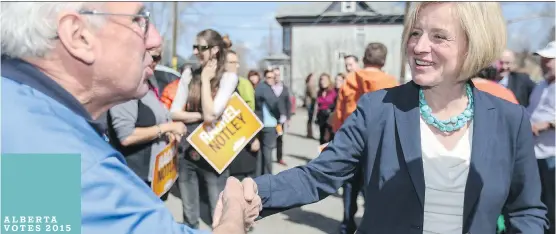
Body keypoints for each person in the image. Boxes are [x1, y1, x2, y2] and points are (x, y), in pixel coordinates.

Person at [226, 2, 548, 234]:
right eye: (415, 33)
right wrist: (253, 190)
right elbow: (317, 177)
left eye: (439, 36)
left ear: (472, 45)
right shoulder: (377, 109)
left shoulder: (509, 119)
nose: (419, 47)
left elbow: (526, 209)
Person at [1, 2, 257, 234]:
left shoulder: (19, 106)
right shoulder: (76, 169)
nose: (154, 37)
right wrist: (234, 210)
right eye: (139, 19)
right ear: (77, 35)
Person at [169, 29, 238, 230]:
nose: (196, 52)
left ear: (215, 50)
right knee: (190, 214)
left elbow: (212, 113)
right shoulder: (189, 73)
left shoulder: (228, 78)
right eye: (194, 47)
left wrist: (207, 80)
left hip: (214, 151)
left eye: (201, 47)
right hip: (187, 150)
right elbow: (174, 112)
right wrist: (202, 117)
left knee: (218, 215)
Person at [332, 42, 399, 234]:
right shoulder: (391, 82)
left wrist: (338, 136)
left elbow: (339, 114)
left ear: (364, 58)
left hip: (352, 141)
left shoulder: (350, 79)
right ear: (384, 61)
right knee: (374, 186)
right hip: (380, 144)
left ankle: (347, 224)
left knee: (350, 186)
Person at [106, 45, 187, 201]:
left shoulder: (148, 84)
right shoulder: (127, 86)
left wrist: (169, 132)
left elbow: (156, 118)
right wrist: (166, 127)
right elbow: (126, 136)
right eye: (150, 56)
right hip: (135, 177)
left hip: (155, 176)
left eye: (157, 58)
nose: (153, 62)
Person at [529, 41, 555, 234]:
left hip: (553, 154)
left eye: (549, 60)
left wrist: (547, 124)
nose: (544, 63)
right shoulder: (541, 85)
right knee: (541, 202)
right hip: (536, 153)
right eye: (543, 60)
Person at [254, 69, 286, 176]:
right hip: (269, 124)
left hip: (262, 123)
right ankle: (268, 176)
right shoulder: (265, 89)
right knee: (267, 152)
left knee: (261, 152)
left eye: (273, 77)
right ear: (264, 78)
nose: (271, 79)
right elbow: (274, 105)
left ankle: (260, 175)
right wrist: (278, 116)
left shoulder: (260, 88)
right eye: (268, 77)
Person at [272, 67, 292, 166]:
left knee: (279, 138)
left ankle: (279, 158)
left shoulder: (284, 88)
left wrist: (288, 117)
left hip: (281, 119)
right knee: (269, 138)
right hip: (270, 119)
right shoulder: (269, 88)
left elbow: (288, 103)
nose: (276, 77)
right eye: (274, 75)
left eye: (278, 75)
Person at [314, 73, 337, 144]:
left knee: (329, 139)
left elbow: (335, 105)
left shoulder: (333, 92)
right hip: (321, 118)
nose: (322, 82)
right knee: (322, 139)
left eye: (324, 80)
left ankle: (329, 154)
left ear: (329, 81)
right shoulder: (319, 92)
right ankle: (322, 154)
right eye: (321, 80)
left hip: (329, 117)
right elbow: (318, 105)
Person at [304, 73, 317, 138]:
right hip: (311, 103)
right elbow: (313, 95)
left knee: (310, 119)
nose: (314, 79)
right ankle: (309, 133)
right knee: (310, 118)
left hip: (310, 103)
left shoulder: (309, 85)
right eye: (313, 78)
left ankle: (309, 132)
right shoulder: (310, 85)